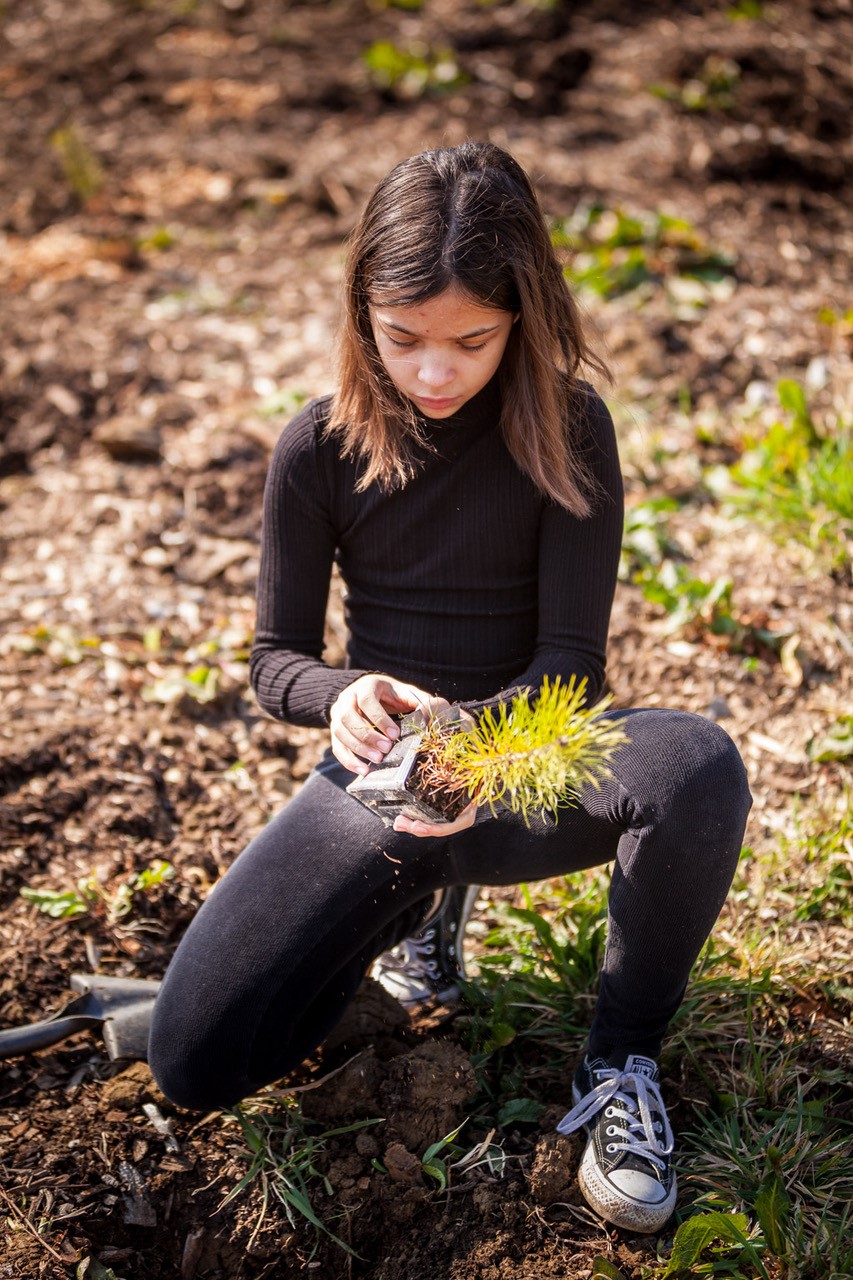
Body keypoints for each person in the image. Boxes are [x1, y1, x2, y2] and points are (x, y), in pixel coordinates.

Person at [148, 141, 752, 1234]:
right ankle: (406, 920)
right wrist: (339, 694)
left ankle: (621, 1064)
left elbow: (571, 664)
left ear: (523, 314)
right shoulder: (318, 446)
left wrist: (469, 741)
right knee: (190, 1055)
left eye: (470, 341)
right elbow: (272, 660)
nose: (434, 372)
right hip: (386, 781)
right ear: (360, 311)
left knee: (698, 765)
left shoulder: (570, 431)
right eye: (403, 339)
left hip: (523, 764)